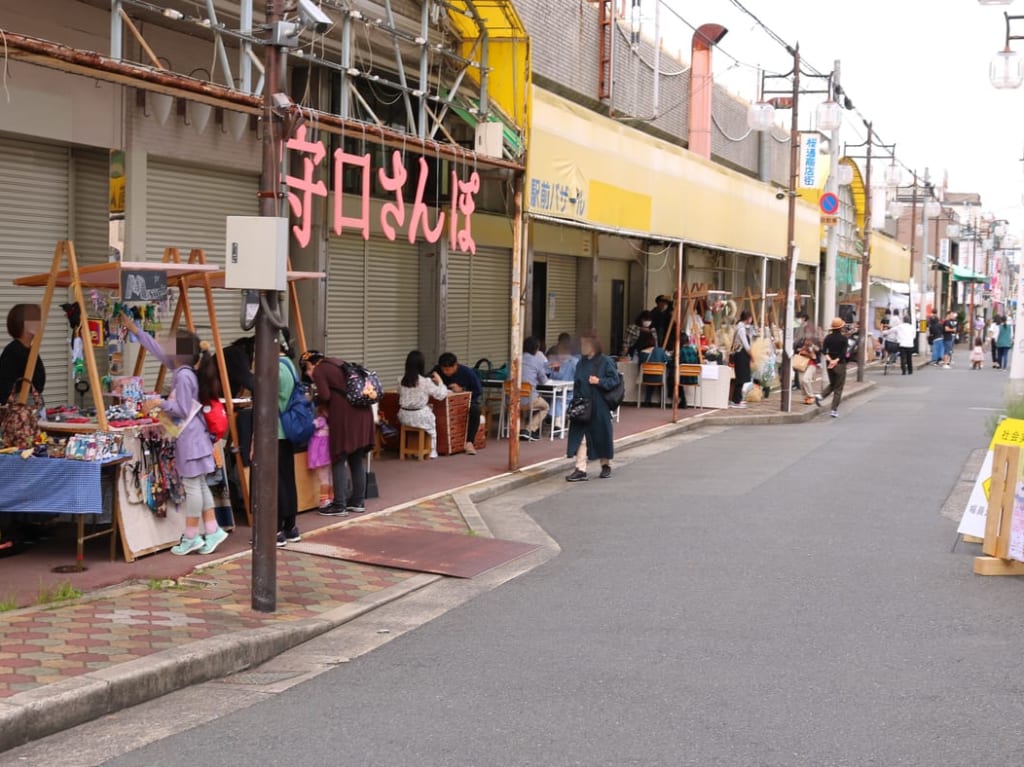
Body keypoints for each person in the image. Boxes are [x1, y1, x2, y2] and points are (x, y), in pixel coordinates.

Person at [121, 313, 229, 556]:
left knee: (192, 487)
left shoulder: (182, 376)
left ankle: (191, 536)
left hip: (190, 441)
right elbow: (157, 350)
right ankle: (213, 531)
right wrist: (136, 331)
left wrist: (157, 403)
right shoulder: (186, 370)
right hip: (198, 438)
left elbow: (180, 408)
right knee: (200, 485)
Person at [302, 350, 376, 515]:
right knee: (356, 458)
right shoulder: (339, 363)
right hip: (363, 414)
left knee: (338, 457)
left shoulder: (320, 369)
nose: (308, 373)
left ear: (314, 363)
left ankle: (339, 505)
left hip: (345, 417)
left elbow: (326, 395)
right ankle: (357, 502)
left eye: (307, 368)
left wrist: (313, 401)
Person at [565, 332, 619, 482]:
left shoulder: (605, 361)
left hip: (599, 404)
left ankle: (605, 464)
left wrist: (599, 381)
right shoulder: (580, 363)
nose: (582, 347)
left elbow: (614, 380)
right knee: (581, 437)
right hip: (582, 404)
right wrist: (574, 403)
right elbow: (577, 384)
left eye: (585, 344)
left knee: (601, 434)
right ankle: (580, 469)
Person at [275, 331, 301, 546]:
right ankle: (290, 526)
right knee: (287, 478)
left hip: (274, 431)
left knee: (274, 481)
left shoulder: (275, 367)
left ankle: (275, 529)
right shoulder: (290, 365)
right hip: (288, 429)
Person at [398, 350, 448, 458]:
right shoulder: (425, 381)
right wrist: (440, 382)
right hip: (419, 416)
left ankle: (412, 447)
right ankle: (432, 451)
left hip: (403, 416)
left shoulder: (400, 380)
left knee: (426, 410)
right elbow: (440, 395)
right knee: (431, 423)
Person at [436, 352, 483, 455]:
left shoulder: (467, 373)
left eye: (448, 369)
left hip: (466, 402)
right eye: (443, 370)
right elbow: (427, 377)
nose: (445, 372)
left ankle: (469, 442)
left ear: (456, 365)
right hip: (444, 403)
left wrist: (462, 390)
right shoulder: (438, 371)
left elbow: (478, 391)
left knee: (475, 410)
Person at [0, 304, 45, 405]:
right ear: (20, 323)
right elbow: (4, 387)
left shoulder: (30, 349)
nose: (39, 323)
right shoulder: (12, 352)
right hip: (20, 410)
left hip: (33, 405)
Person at [815, 318, 849, 418]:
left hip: (829, 364)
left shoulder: (828, 338)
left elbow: (824, 351)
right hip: (840, 364)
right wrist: (836, 360)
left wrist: (830, 360)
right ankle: (833, 410)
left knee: (833, 384)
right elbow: (843, 353)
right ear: (841, 327)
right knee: (838, 388)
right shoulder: (844, 339)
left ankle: (820, 396)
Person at [519, 336, 550, 441]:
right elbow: (544, 381)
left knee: (520, 407)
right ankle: (529, 429)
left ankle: (521, 429)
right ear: (537, 349)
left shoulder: (515, 358)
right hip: (529, 400)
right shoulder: (537, 361)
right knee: (545, 407)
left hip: (511, 400)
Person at [729, 310, 755, 409]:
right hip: (740, 355)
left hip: (740, 355)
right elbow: (746, 345)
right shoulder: (741, 329)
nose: (751, 319)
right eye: (751, 317)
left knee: (741, 377)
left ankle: (737, 399)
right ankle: (736, 400)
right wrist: (752, 356)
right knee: (740, 378)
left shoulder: (740, 327)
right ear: (748, 318)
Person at [636, 330, 668, 406]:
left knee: (650, 377)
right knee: (659, 376)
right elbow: (667, 361)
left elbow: (640, 365)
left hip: (645, 378)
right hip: (659, 378)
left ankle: (647, 400)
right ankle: (662, 401)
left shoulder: (641, 353)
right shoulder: (660, 351)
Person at [797, 335, 821, 405]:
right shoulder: (800, 341)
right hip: (801, 364)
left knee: (805, 379)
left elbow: (816, 353)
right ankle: (806, 397)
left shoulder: (815, 344)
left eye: (809, 340)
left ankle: (811, 396)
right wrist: (802, 349)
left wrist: (811, 349)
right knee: (801, 381)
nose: (808, 341)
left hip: (811, 364)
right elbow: (796, 349)